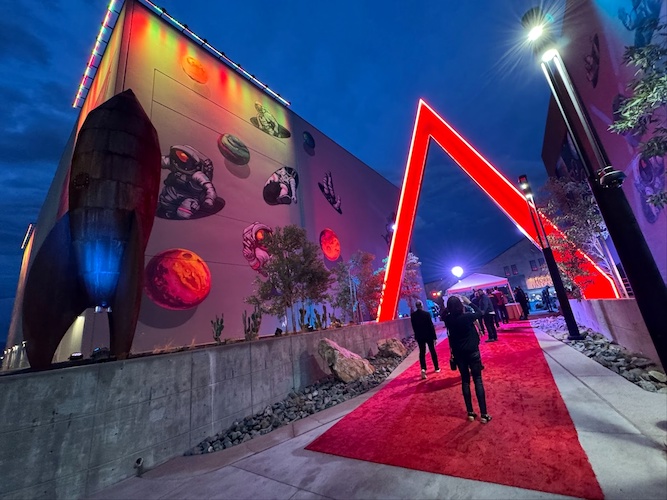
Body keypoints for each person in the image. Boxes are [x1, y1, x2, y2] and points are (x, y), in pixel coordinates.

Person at [444, 295, 491, 424]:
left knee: (465, 381)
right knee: (478, 380)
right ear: (460, 306)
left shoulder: (448, 319)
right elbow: (480, 312)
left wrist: (450, 306)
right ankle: (484, 414)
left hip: (459, 354)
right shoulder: (467, 317)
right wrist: (469, 302)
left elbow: (445, 313)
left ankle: (470, 412)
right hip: (472, 351)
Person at [410, 300, 440, 379]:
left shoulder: (413, 315)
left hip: (420, 336)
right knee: (432, 351)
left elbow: (414, 327)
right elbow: (431, 326)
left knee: (422, 352)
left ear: (416, 306)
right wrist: (434, 337)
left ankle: (423, 368)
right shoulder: (426, 314)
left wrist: (416, 336)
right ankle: (436, 367)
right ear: (422, 305)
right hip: (428, 335)